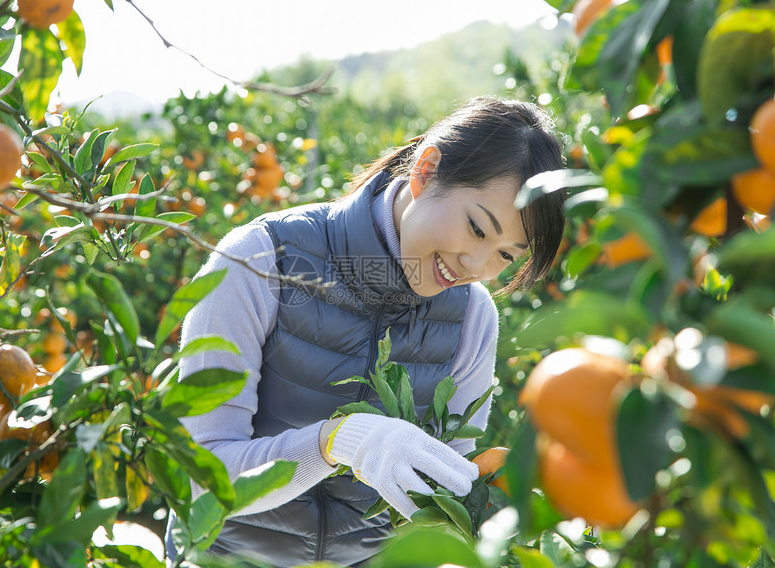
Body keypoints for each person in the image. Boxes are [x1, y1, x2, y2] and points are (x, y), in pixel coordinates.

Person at [165, 96, 567, 567]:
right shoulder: (261, 260)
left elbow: (443, 496)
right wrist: (334, 442)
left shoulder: (472, 318)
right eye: (478, 229)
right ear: (426, 170)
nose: (475, 267)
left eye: (505, 255)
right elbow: (199, 481)